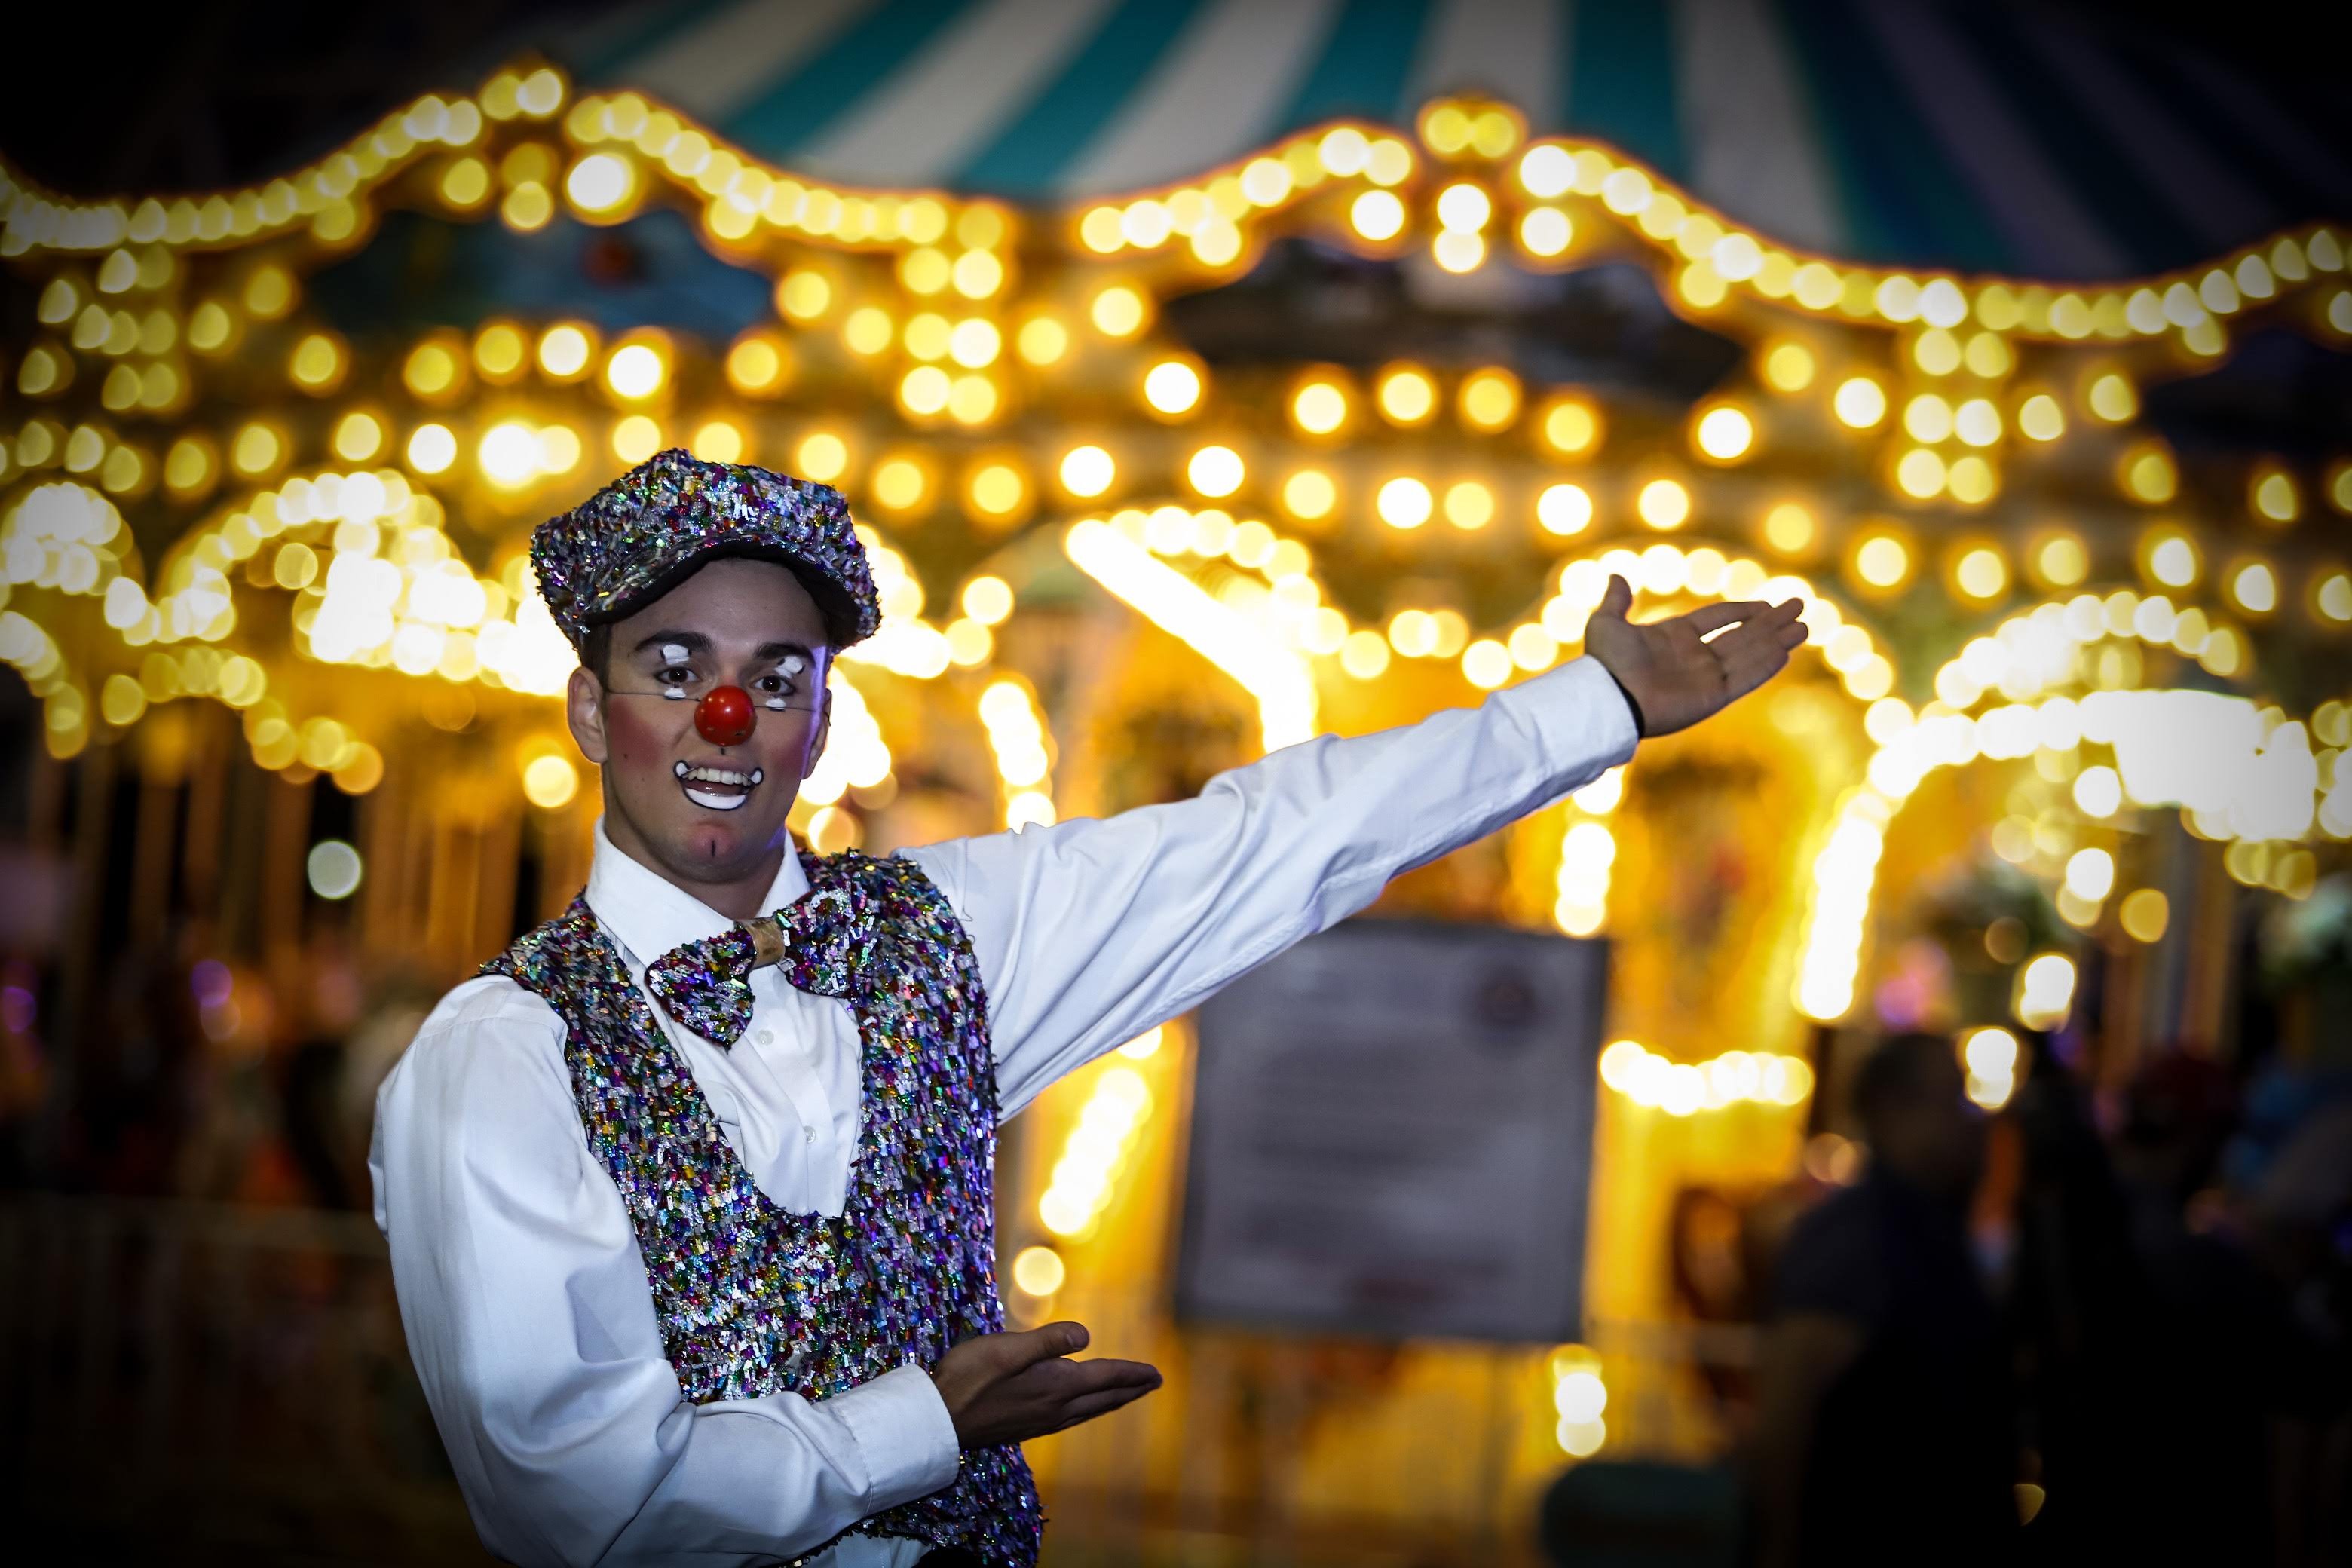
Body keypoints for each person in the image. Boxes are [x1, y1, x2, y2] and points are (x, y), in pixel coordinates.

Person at [370, 449, 1805, 1567]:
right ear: (587, 712)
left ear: (817, 721)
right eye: (672, 671)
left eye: (775, 677)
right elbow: (577, 1508)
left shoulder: (936, 940)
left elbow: (1266, 840)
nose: (725, 720)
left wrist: (1585, 709)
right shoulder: (498, 1064)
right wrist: (927, 1422)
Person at [1745, 1032, 2016, 1567]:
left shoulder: (1932, 1228)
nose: (1970, 1121)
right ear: (1893, 1109)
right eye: (1953, 1098)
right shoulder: (1856, 1239)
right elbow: (1786, 1411)